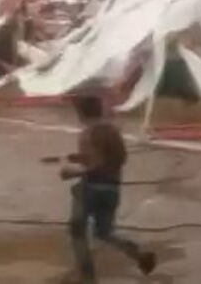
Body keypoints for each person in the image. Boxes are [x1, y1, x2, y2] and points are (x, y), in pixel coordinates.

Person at [61, 94, 156, 283]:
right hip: (112, 189)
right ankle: (138, 253)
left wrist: (71, 172)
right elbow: (117, 158)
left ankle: (87, 277)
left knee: (77, 231)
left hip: (91, 189)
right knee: (104, 232)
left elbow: (96, 163)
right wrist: (80, 157)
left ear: (80, 113)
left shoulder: (88, 134)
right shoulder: (113, 131)